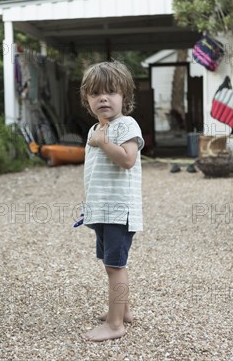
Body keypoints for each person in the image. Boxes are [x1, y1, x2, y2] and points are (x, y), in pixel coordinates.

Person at [78, 61, 144, 342]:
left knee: (116, 266)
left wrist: (104, 143)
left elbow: (128, 159)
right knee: (110, 263)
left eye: (111, 92)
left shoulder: (125, 124)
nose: (103, 98)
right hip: (103, 211)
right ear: (87, 100)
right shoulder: (95, 130)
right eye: (96, 93)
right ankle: (123, 311)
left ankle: (116, 325)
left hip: (119, 211)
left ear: (124, 98)